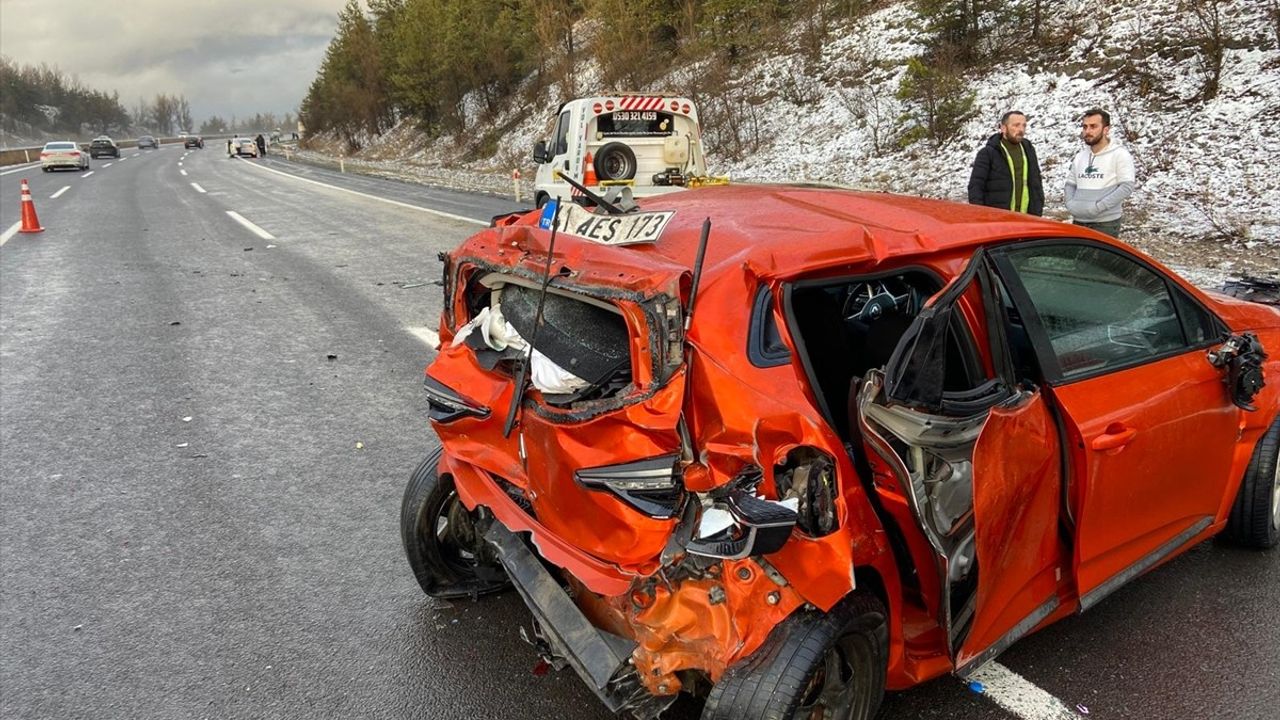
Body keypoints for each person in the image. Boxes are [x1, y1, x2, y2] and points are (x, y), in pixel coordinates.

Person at [1065, 108, 1136, 237]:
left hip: (1105, 224)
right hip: (1079, 222)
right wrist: (1070, 204)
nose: (1088, 131)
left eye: (1093, 126)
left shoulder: (1120, 154)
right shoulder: (1080, 156)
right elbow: (1070, 184)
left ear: (1106, 129)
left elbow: (1126, 187)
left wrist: (1098, 207)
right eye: (1085, 127)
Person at [967, 110, 1044, 216]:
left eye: (1024, 126)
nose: (1021, 129)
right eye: (1016, 125)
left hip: (1026, 219)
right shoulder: (988, 153)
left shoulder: (1029, 150)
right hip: (998, 221)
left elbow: (1036, 184)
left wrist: (1037, 211)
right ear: (1003, 128)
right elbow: (975, 187)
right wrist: (982, 216)